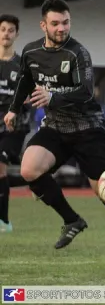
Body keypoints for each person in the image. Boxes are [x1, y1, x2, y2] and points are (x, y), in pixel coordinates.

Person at [3, 0, 105, 255]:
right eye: (55, 23)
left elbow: (85, 91)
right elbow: (25, 82)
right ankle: (72, 220)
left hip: (87, 128)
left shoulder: (78, 53)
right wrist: (14, 109)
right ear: (43, 25)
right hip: (56, 127)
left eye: (66, 22)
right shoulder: (30, 52)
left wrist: (52, 97)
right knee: (29, 169)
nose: (61, 28)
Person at [0, 14, 31, 233]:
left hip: (14, 126)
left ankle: (3, 222)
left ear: (16, 34)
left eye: (11, 30)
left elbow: (32, 95)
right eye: (2, 29)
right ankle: (35, 181)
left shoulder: (22, 65)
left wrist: (23, 99)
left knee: (0, 164)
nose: (6, 34)